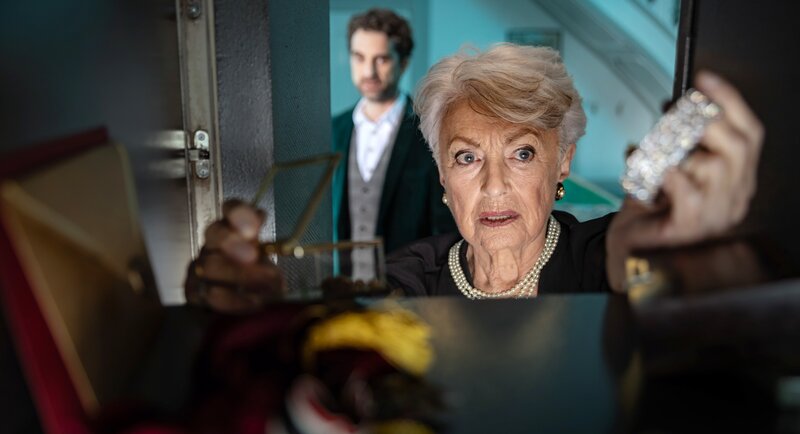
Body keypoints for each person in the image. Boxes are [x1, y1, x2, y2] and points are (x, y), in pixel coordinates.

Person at [186, 44, 762, 310]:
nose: (493, 186)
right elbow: (349, 329)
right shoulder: (410, 277)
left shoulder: (603, 252)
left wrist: (671, 264)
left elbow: (639, 272)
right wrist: (263, 313)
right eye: (466, 158)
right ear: (442, 173)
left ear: (563, 160)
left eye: (522, 153)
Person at [331, 8, 455, 281]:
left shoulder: (430, 131)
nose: (369, 71)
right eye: (359, 57)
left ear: (404, 63)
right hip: (343, 289)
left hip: (411, 288)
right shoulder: (332, 130)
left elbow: (444, 227)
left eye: (382, 59)